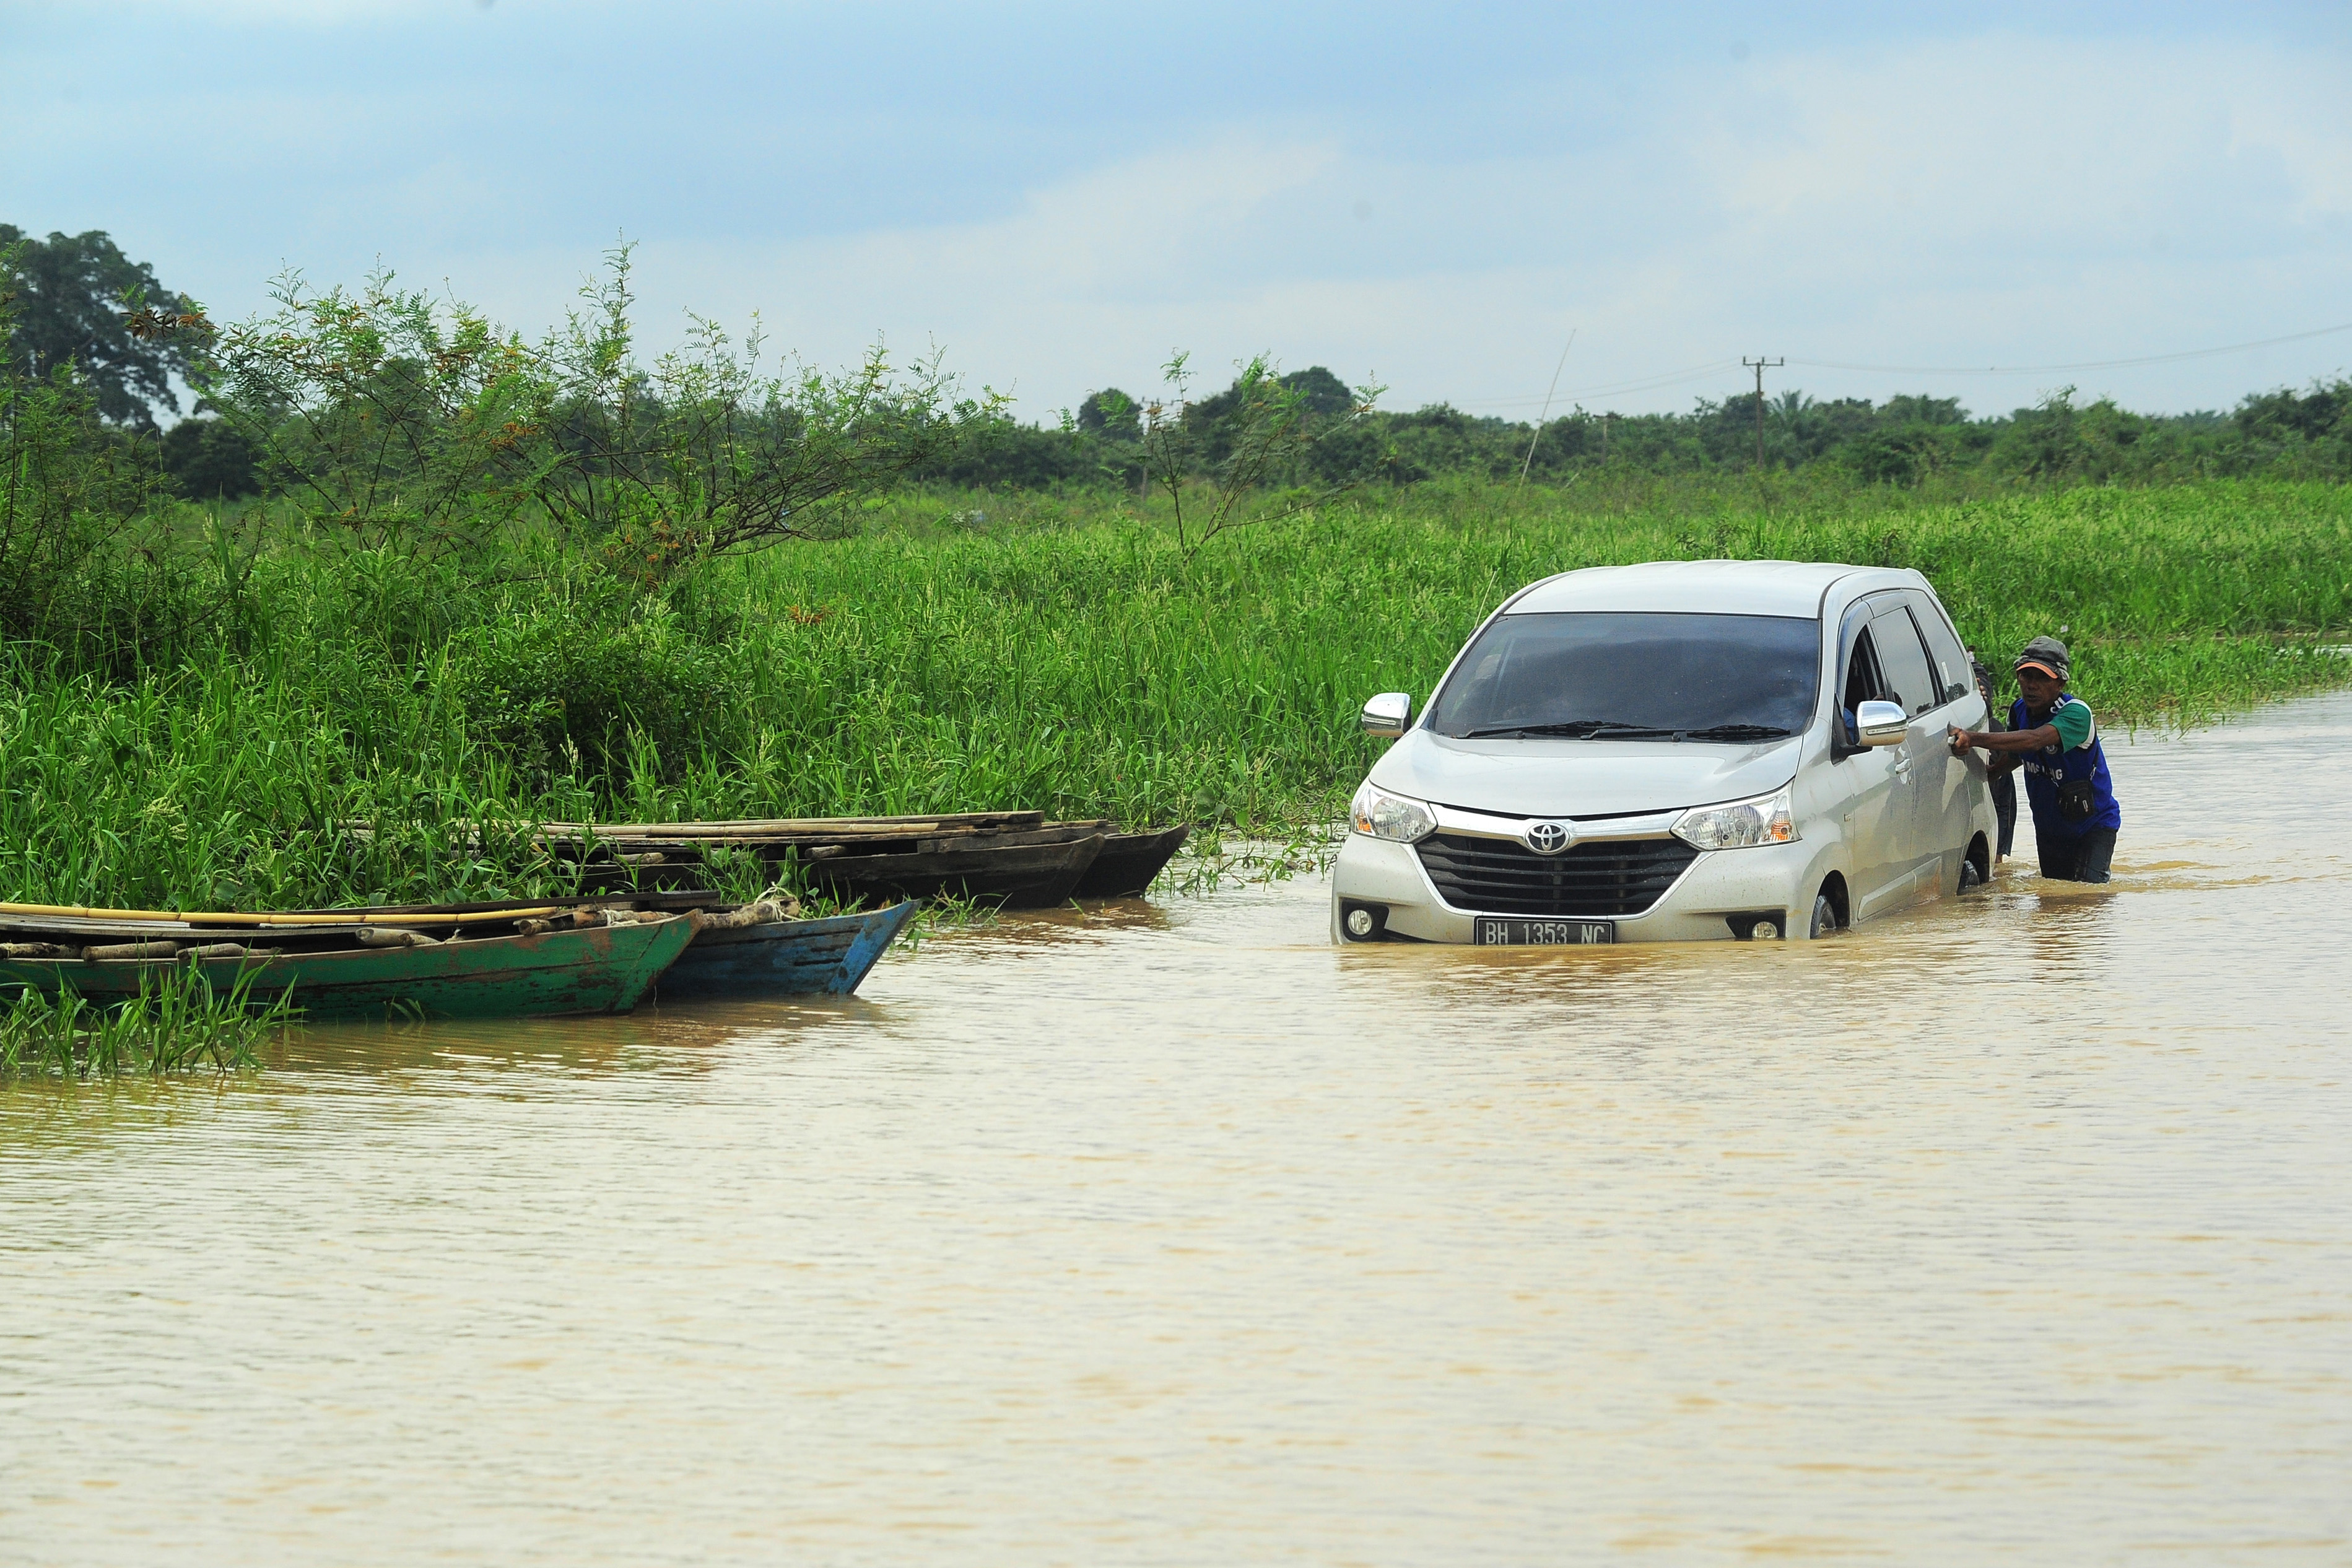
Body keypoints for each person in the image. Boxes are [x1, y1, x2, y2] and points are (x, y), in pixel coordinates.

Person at [1948, 635, 2122, 884]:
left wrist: (1972, 738)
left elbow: (2034, 741)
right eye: (2026, 676)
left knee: (2087, 897)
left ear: (2060, 683)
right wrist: (1989, 775)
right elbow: (2018, 754)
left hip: (2093, 827)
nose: (2031, 685)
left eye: (2041, 678)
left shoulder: (2075, 714)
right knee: (2053, 897)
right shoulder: (2019, 712)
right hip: (2049, 827)